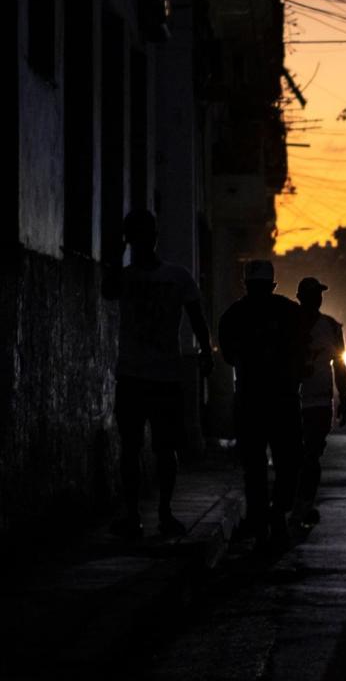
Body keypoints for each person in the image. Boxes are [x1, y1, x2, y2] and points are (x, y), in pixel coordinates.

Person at [103, 209, 213, 539]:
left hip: (140, 376)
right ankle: (159, 514)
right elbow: (197, 318)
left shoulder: (141, 277)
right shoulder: (174, 277)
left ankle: (142, 515)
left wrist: (206, 352)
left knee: (140, 449)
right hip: (158, 376)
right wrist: (206, 353)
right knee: (156, 449)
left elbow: (196, 317)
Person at [218, 260, 305, 550]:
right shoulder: (290, 313)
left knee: (255, 467)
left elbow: (229, 355)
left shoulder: (234, 315)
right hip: (282, 401)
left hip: (251, 401)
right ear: (273, 285)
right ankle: (276, 515)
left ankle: (262, 521)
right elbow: (304, 353)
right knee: (286, 464)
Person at [292, 277, 346, 528]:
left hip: (319, 402)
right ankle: (299, 503)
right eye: (314, 295)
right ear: (302, 298)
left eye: (319, 295)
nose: (318, 299)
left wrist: (344, 399)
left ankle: (304, 504)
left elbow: (340, 364)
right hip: (293, 400)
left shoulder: (332, 327)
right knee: (298, 456)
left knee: (312, 455)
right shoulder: (287, 324)